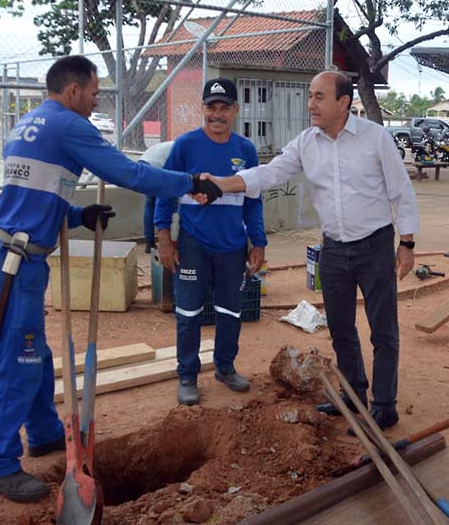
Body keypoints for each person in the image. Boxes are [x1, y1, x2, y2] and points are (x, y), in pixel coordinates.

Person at [0, 55, 219, 503]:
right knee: (20, 357)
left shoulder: (32, 122)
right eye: (92, 93)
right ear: (72, 91)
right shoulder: (68, 125)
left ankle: (46, 432)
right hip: (17, 259)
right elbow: (128, 172)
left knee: (33, 349)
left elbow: (32, 194)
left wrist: (76, 215)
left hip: (12, 249)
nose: (94, 102)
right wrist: (190, 182)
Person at [203, 70, 419, 430]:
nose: (311, 104)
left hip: (374, 246)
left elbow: (402, 191)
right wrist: (221, 185)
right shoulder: (306, 143)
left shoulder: (375, 138)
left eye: (320, 97)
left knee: (383, 330)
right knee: (340, 328)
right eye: (310, 96)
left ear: (343, 103)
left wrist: (407, 242)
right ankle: (352, 397)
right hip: (333, 250)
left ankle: (384, 405)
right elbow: (269, 174)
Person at [155, 78, 266, 405]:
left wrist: (257, 242)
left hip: (232, 246)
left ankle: (225, 367)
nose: (217, 114)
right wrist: (164, 236)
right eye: (210, 107)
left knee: (230, 311)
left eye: (224, 107)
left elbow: (253, 200)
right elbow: (166, 190)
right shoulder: (186, 146)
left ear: (235, 110)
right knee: (188, 311)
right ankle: (187, 375)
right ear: (203, 109)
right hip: (193, 245)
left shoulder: (245, 150)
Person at [138, 140, 175, 252]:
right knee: (165, 202)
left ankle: (149, 242)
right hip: (156, 167)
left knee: (150, 203)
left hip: (143, 163)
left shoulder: (173, 144)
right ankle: (168, 241)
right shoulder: (185, 148)